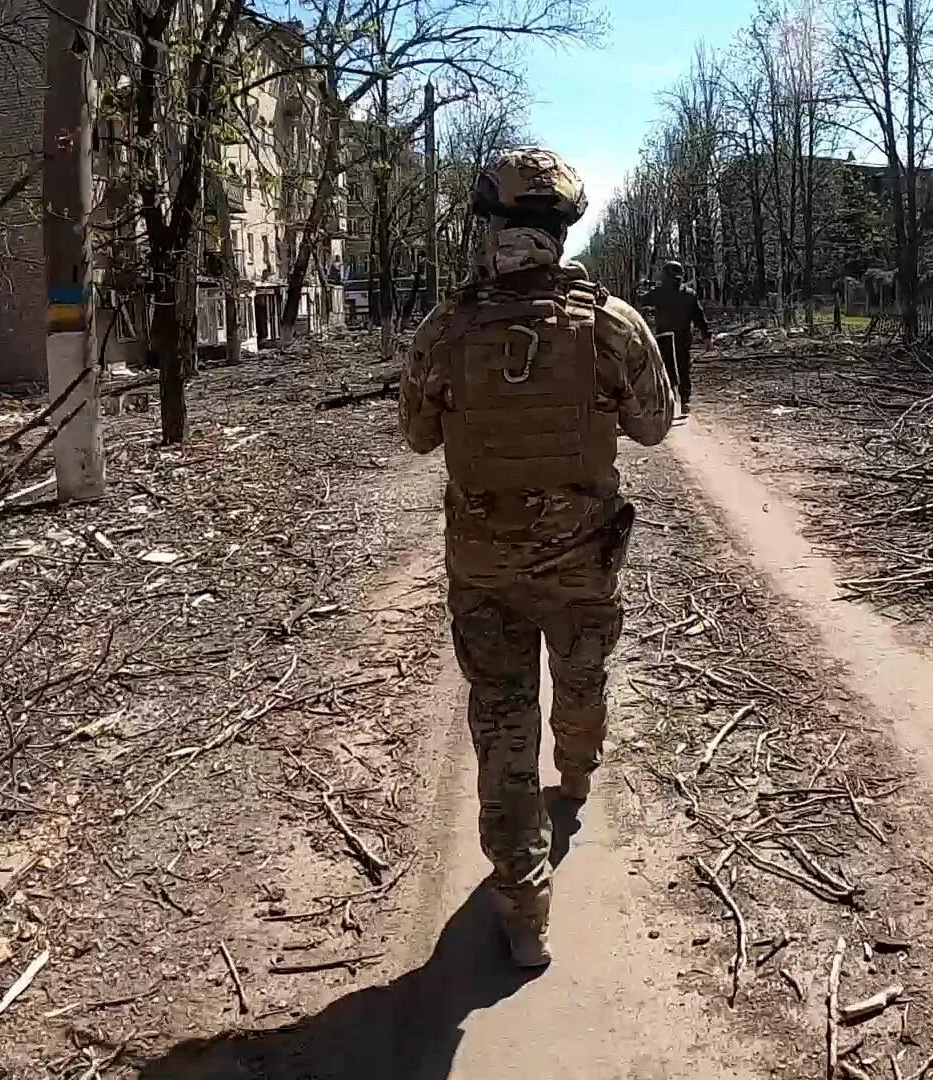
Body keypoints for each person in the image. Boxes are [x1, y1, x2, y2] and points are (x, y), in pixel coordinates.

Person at [397, 147, 674, 969]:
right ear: (563, 228)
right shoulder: (612, 323)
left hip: (484, 573)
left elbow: (416, 437)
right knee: (582, 684)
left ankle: (524, 906)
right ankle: (579, 778)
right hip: (583, 565)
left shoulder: (442, 329)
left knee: (501, 723)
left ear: (490, 228)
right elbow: (656, 426)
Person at [642, 260, 710, 417]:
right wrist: (707, 336)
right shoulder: (688, 294)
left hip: (668, 336)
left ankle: (675, 398)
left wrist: (644, 288)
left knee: (669, 368)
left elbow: (642, 300)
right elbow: (699, 317)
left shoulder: (661, 293)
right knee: (681, 367)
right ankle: (682, 399)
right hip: (679, 336)